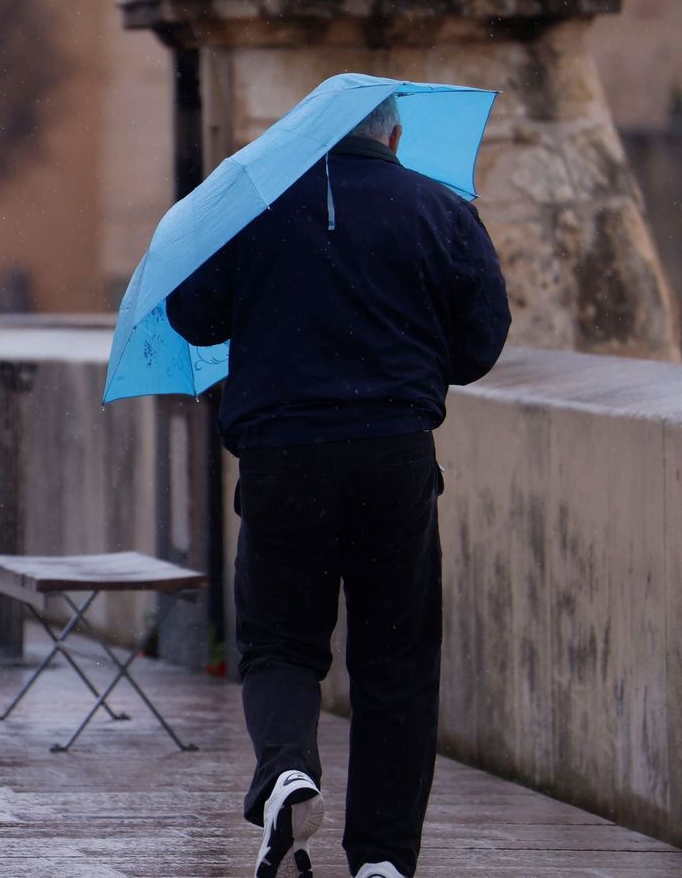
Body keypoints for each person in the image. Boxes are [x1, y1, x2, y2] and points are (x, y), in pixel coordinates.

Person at [167, 95, 511, 878]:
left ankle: (287, 771)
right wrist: (415, 360)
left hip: (282, 457)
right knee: (396, 656)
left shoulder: (255, 209)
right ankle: (384, 858)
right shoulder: (440, 209)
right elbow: (482, 339)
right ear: (394, 137)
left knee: (282, 642)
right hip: (394, 453)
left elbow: (192, 315)